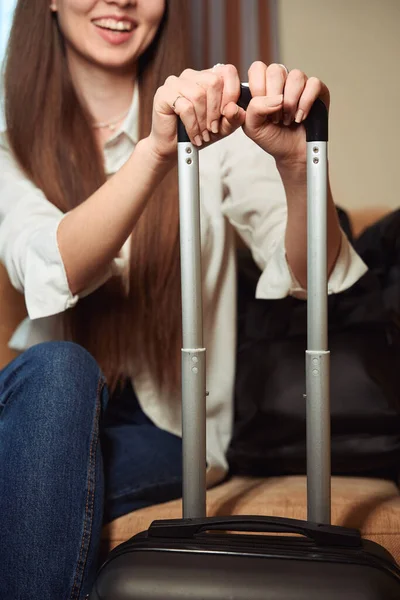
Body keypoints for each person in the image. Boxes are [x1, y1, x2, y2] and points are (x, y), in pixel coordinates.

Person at [0, 0, 368, 598]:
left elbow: (313, 274)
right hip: (43, 407)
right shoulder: (10, 146)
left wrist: (301, 167)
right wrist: (154, 151)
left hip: (171, 427)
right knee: (60, 369)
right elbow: (53, 264)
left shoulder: (214, 122)